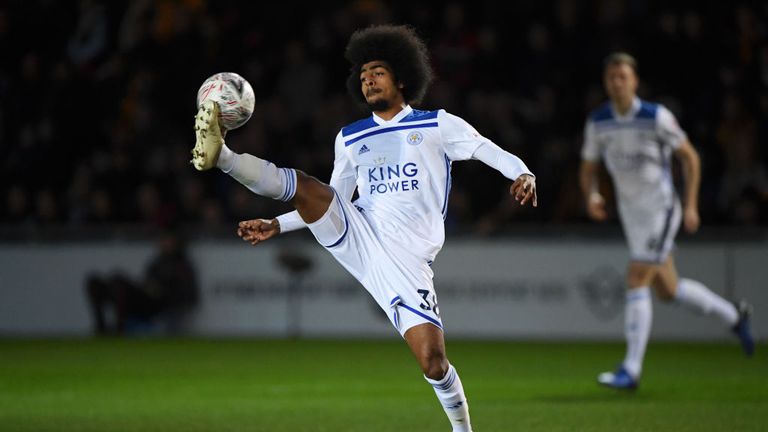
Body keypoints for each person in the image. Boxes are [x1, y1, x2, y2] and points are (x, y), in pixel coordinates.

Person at [191, 24, 537, 431]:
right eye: (363, 74)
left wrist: (523, 172)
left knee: (433, 361)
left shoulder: (436, 125)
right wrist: (278, 225)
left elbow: (485, 148)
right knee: (309, 186)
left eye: (378, 71)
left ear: (402, 78)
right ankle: (224, 156)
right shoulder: (351, 137)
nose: (368, 79)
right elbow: (333, 199)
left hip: (408, 259)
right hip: (361, 235)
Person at [579, 52, 755, 390]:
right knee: (668, 290)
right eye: (611, 77)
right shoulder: (598, 121)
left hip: (661, 210)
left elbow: (690, 157)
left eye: (623, 77)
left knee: (636, 276)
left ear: (635, 81)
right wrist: (591, 196)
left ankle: (631, 370)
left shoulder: (656, 117)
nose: (617, 82)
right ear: (606, 82)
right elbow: (588, 167)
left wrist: (690, 205)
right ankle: (734, 316)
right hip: (633, 217)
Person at [85, 229, 198, 335]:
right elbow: (147, 282)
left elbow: (185, 292)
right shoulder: (157, 262)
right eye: (163, 240)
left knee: (118, 282)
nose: (165, 244)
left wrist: (161, 291)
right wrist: (150, 288)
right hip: (146, 297)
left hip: (160, 304)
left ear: (176, 243)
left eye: (169, 241)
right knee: (96, 282)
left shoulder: (182, 264)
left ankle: (120, 327)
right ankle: (101, 326)